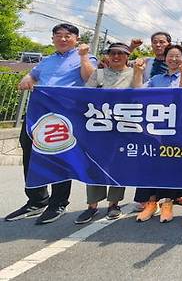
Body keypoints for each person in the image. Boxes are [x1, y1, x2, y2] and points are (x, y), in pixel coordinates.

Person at [5, 23, 97, 225]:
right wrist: (27, 77)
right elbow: (34, 75)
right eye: (59, 35)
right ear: (52, 38)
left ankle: (58, 202)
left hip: (64, 116)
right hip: (38, 115)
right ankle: (36, 199)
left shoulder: (86, 57)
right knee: (30, 151)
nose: (63, 39)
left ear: (76, 39)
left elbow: (91, 79)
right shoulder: (47, 60)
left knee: (59, 154)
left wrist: (82, 56)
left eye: (68, 36)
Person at [75, 42, 135, 224]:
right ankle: (92, 205)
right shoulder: (98, 74)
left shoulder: (134, 74)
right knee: (93, 164)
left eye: (120, 53)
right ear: (108, 56)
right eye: (113, 53)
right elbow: (85, 96)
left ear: (127, 56)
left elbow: (142, 95)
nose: (116, 56)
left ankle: (113, 204)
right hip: (98, 126)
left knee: (119, 164)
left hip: (123, 127)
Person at [130, 32, 182, 210]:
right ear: (165, 59)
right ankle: (147, 197)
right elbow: (139, 91)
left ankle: (173, 197)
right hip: (154, 125)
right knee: (149, 158)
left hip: (177, 126)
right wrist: (138, 73)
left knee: (174, 159)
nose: (173, 59)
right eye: (170, 56)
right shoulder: (156, 79)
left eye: (177, 57)